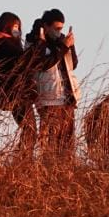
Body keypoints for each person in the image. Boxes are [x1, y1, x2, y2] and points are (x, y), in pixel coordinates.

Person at [0, 12, 37, 157]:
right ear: (6, 26)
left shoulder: (3, 43)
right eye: (14, 26)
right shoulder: (3, 44)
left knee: (29, 130)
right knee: (30, 130)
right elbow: (19, 64)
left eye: (18, 27)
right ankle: (22, 161)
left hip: (15, 92)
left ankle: (22, 160)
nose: (17, 30)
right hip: (16, 92)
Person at [33, 9, 81, 158]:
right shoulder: (37, 42)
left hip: (67, 99)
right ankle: (49, 171)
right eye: (56, 28)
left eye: (61, 28)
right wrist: (64, 47)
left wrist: (70, 46)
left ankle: (66, 172)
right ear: (46, 26)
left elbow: (73, 64)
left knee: (67, 145)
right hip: (50, 100)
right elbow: (44, 64)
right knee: (50, 143)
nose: (59, 32)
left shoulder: (62, 42)